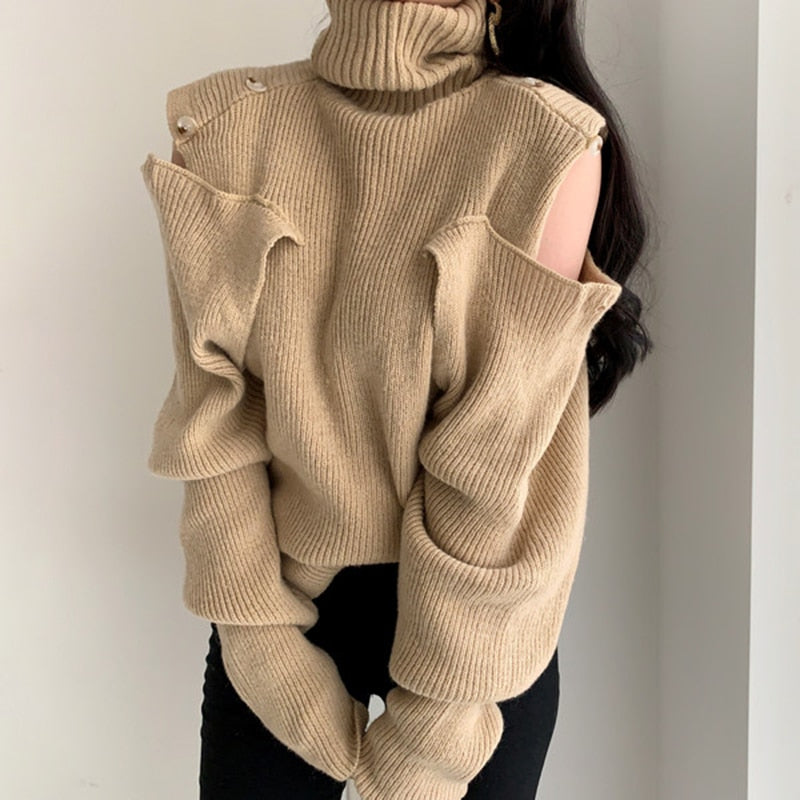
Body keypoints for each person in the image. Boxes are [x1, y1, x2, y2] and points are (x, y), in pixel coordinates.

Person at [140, 0, 654, 798]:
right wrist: (257, 640)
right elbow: (212, 414)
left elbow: (488, 466)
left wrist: (429, 741)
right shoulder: (225, 127)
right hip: (279, 603)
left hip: (477, 642)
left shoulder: (545, 142)